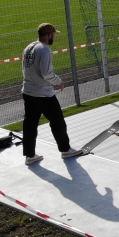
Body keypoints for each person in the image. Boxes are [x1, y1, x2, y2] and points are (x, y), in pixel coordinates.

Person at [21, 23, 81, 165]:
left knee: (30, 125)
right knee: (57, 121)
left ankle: (30, 155)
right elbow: (46, 73)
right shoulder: (44, 50)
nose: (54, 37)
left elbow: (27, 70)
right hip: (43, 94)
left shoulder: (28, 48)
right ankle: (65, 149)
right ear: (49, 35)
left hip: (28, 92)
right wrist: (59, 82)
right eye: (53, 34)